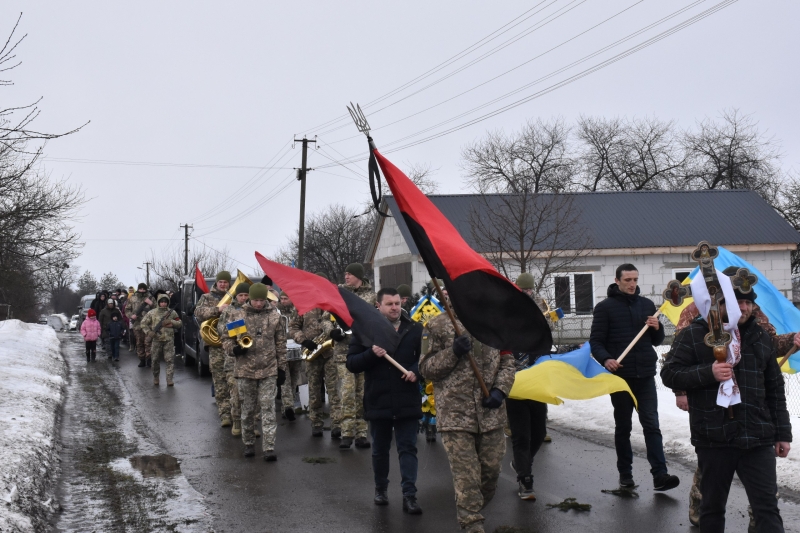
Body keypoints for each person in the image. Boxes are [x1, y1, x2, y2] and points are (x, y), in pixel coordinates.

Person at [661, 283, 792, 532]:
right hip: (714, 437)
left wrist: (782, 433)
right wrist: (708, 372)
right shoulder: (694, 334)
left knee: (766, 508)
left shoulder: (761, 337)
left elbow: (775, 390)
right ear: (720, 304)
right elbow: (670, 373)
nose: (742, 308)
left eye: (748, 303)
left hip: (757, 436)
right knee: (711, 507)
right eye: (735, 302)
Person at [419, 288, 515, 533]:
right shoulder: (437, 326)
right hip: (455, 415)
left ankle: (472, 508)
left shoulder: (493, 323)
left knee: (491, 473)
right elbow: (426, 369)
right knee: (466, 477)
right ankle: (472, 523)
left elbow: (507, 361)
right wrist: (453, 353)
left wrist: (500, 391)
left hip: (491, 413)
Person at [589, 263, 679, 491]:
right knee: (624, 426)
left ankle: (660, 475)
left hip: (645, 375)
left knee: (651, 424)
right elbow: (596, 342)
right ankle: (625, 474)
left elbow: (656, 341)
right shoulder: (605, 308)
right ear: (617, 280)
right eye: (628, 280)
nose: (632, 284)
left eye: (635, 280)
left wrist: (657, 327)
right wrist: (607, 359)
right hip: (620, 377)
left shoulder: (647, 305)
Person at [347, 287, 423, 514]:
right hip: (378, 399)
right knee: (379, 450)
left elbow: (427, 358)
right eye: (389, 304)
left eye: (397, 303)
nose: (394, 308)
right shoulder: (364, 332)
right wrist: (371, 354)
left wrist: (416, 371)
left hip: (406, 399)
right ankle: (380, 489)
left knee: (408, 448)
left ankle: (409, 495)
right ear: (378, 306)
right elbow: (351, 364)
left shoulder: (415, 329)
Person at [223, 283, 287, 461]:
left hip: (269, 369)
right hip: (245, 370)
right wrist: (234, 349)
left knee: (268, 407)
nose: (258, 304)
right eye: (255, 300)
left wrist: (281, 368)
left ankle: (269, 447)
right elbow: (227, 340)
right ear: (250, 299)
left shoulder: (275, 317)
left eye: (261, 300)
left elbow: (281, 346)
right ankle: (249, 443)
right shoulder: (239, 316)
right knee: (248, 409)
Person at [505, 272, 550, 501]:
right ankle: (526, 480)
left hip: (537, 382)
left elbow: (546, 348)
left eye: (529, 290)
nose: (526, 293)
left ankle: (520, 464)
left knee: (539, 432)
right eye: (523, 290)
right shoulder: (505, 318)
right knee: (521, 435)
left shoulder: (540, 318)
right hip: (514, 383)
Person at [290, 272, 339, 438]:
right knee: (314, 390)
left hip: (331, 352)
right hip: (312, 352)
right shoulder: (302, 303)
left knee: (334, 391)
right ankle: (316, 423)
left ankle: (337, 424)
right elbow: (293, 328)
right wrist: (303, 341)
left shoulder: (332, 301)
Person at [335, 263, 376, 449]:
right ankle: (346, 432)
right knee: (347, 393)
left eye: (350, 274)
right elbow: (327, 318)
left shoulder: (371, 296)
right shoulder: (339, 294)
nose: (346, 276)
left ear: (359, 276)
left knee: (362, 394)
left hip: (364, 351)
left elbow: (376, 319)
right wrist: (331, 331)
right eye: (345, 273)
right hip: (344, 352)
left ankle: (361, 433)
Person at [195, 271, 234, 427]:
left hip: (232, 344)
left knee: (234, 381)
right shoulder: (207, 297)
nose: (223, 284)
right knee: (219, 381)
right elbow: (198, 313)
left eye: (226, 282)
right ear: (216, 283)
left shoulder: (235, 297)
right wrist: (217, 309)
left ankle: (235, 413)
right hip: (216, 345)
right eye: (221, 282)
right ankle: (224, 414)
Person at [218, 282, 251, 436]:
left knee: (252, 395)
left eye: (246, 295)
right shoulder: (230, 311)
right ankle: (236, 421)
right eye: (241, 295)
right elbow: (222, 331)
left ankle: (252, 424)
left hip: (252, 359)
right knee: (236, 393)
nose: (243, 298)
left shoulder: (255, 310)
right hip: (234, 359)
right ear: (236, 296)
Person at [141, 294, 182, 386]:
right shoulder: (152, 313)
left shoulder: (172, 313)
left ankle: (169, 379)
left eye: (165, 302)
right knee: (155, 360)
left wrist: (172, 322)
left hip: (169, 340)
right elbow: (143, 323)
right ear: (159, 302)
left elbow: (179, 323)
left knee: (169, 360)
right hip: (156, 340)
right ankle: (156, 377)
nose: (163, 304)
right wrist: (149, 332)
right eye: (162, 302)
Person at [277, 291, 302, 421]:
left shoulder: (297, 311)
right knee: (285, 380)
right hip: (282, 350)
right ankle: (288, 407)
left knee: (294, 379)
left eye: (285, 298)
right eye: (281, 298)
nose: (283, 301)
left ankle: (288, 406)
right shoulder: (276, 312)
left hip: (296, 349)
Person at [125, 283, 154, 367]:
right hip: (137, 324)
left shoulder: (151, 297)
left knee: (148, 342)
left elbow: (157, 309)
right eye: (140, 289)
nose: (142, 290)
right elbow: (127, 309)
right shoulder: (133, 298)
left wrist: (151, 304)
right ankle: (142, 359)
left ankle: (149, 359)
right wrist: (131, 315)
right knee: (139, 343)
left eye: (143, 289)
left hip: (148, 324)